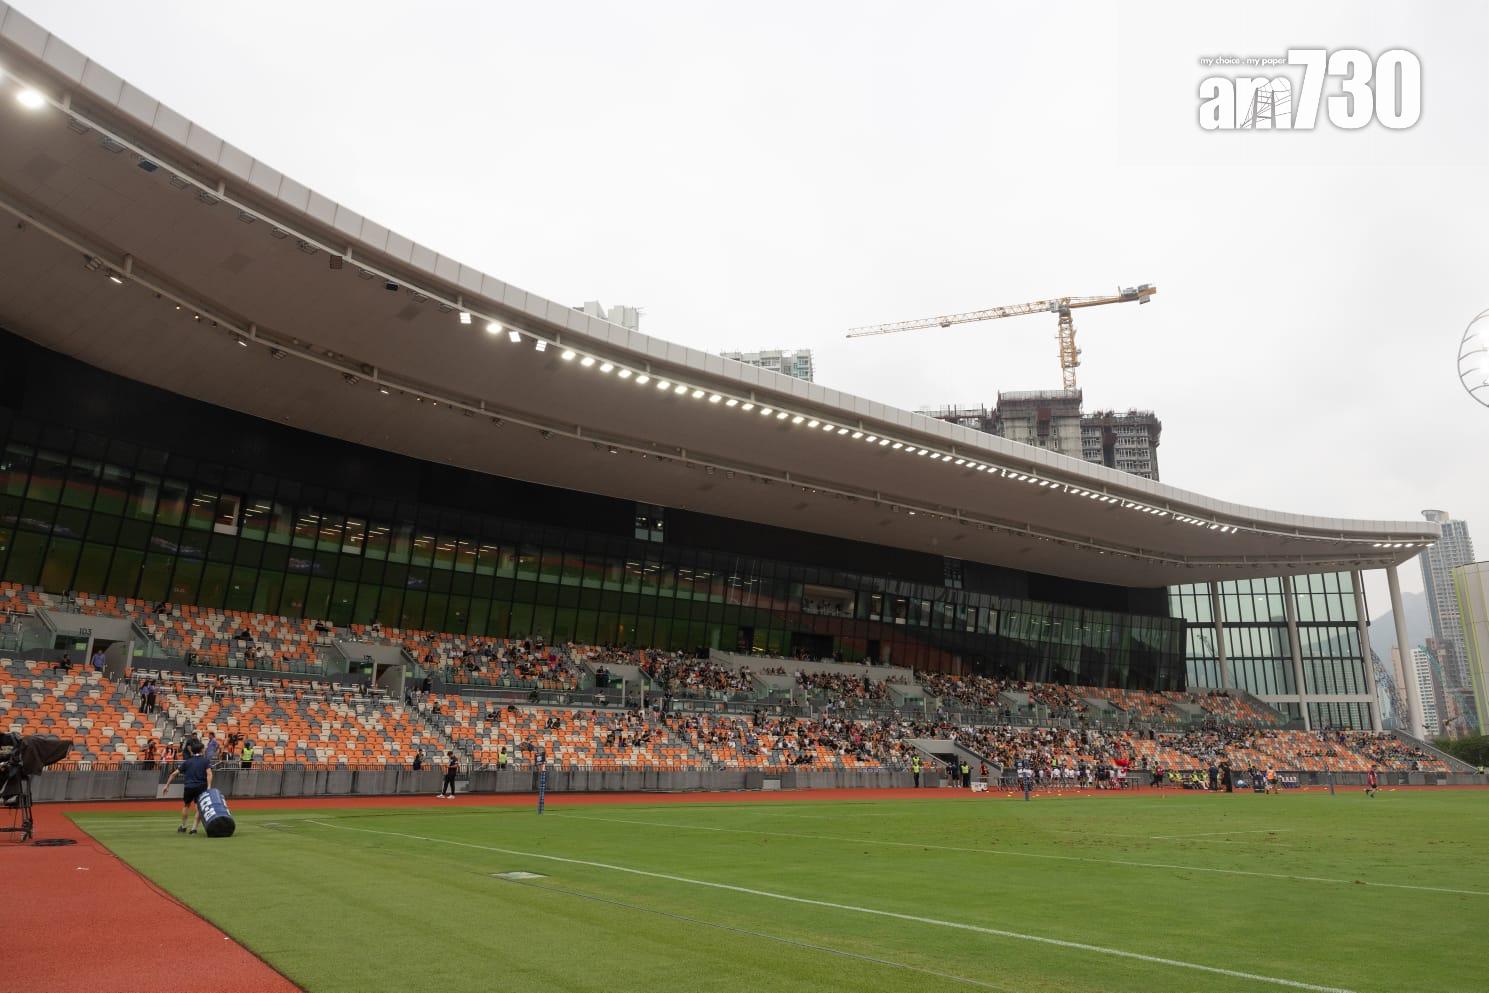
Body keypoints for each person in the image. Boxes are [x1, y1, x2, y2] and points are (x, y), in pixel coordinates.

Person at [163, 740, 213, 834]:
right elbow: (209, 774)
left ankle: (183, 826)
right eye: (203, 749)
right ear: (201, 750)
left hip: (189, 786)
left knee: (186, 805)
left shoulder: (187, 762)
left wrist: (167, 785)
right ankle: (194, 829)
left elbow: (173, 774)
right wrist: (209, 786)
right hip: (201, 787)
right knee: (199, 807)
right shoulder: (205, 761)